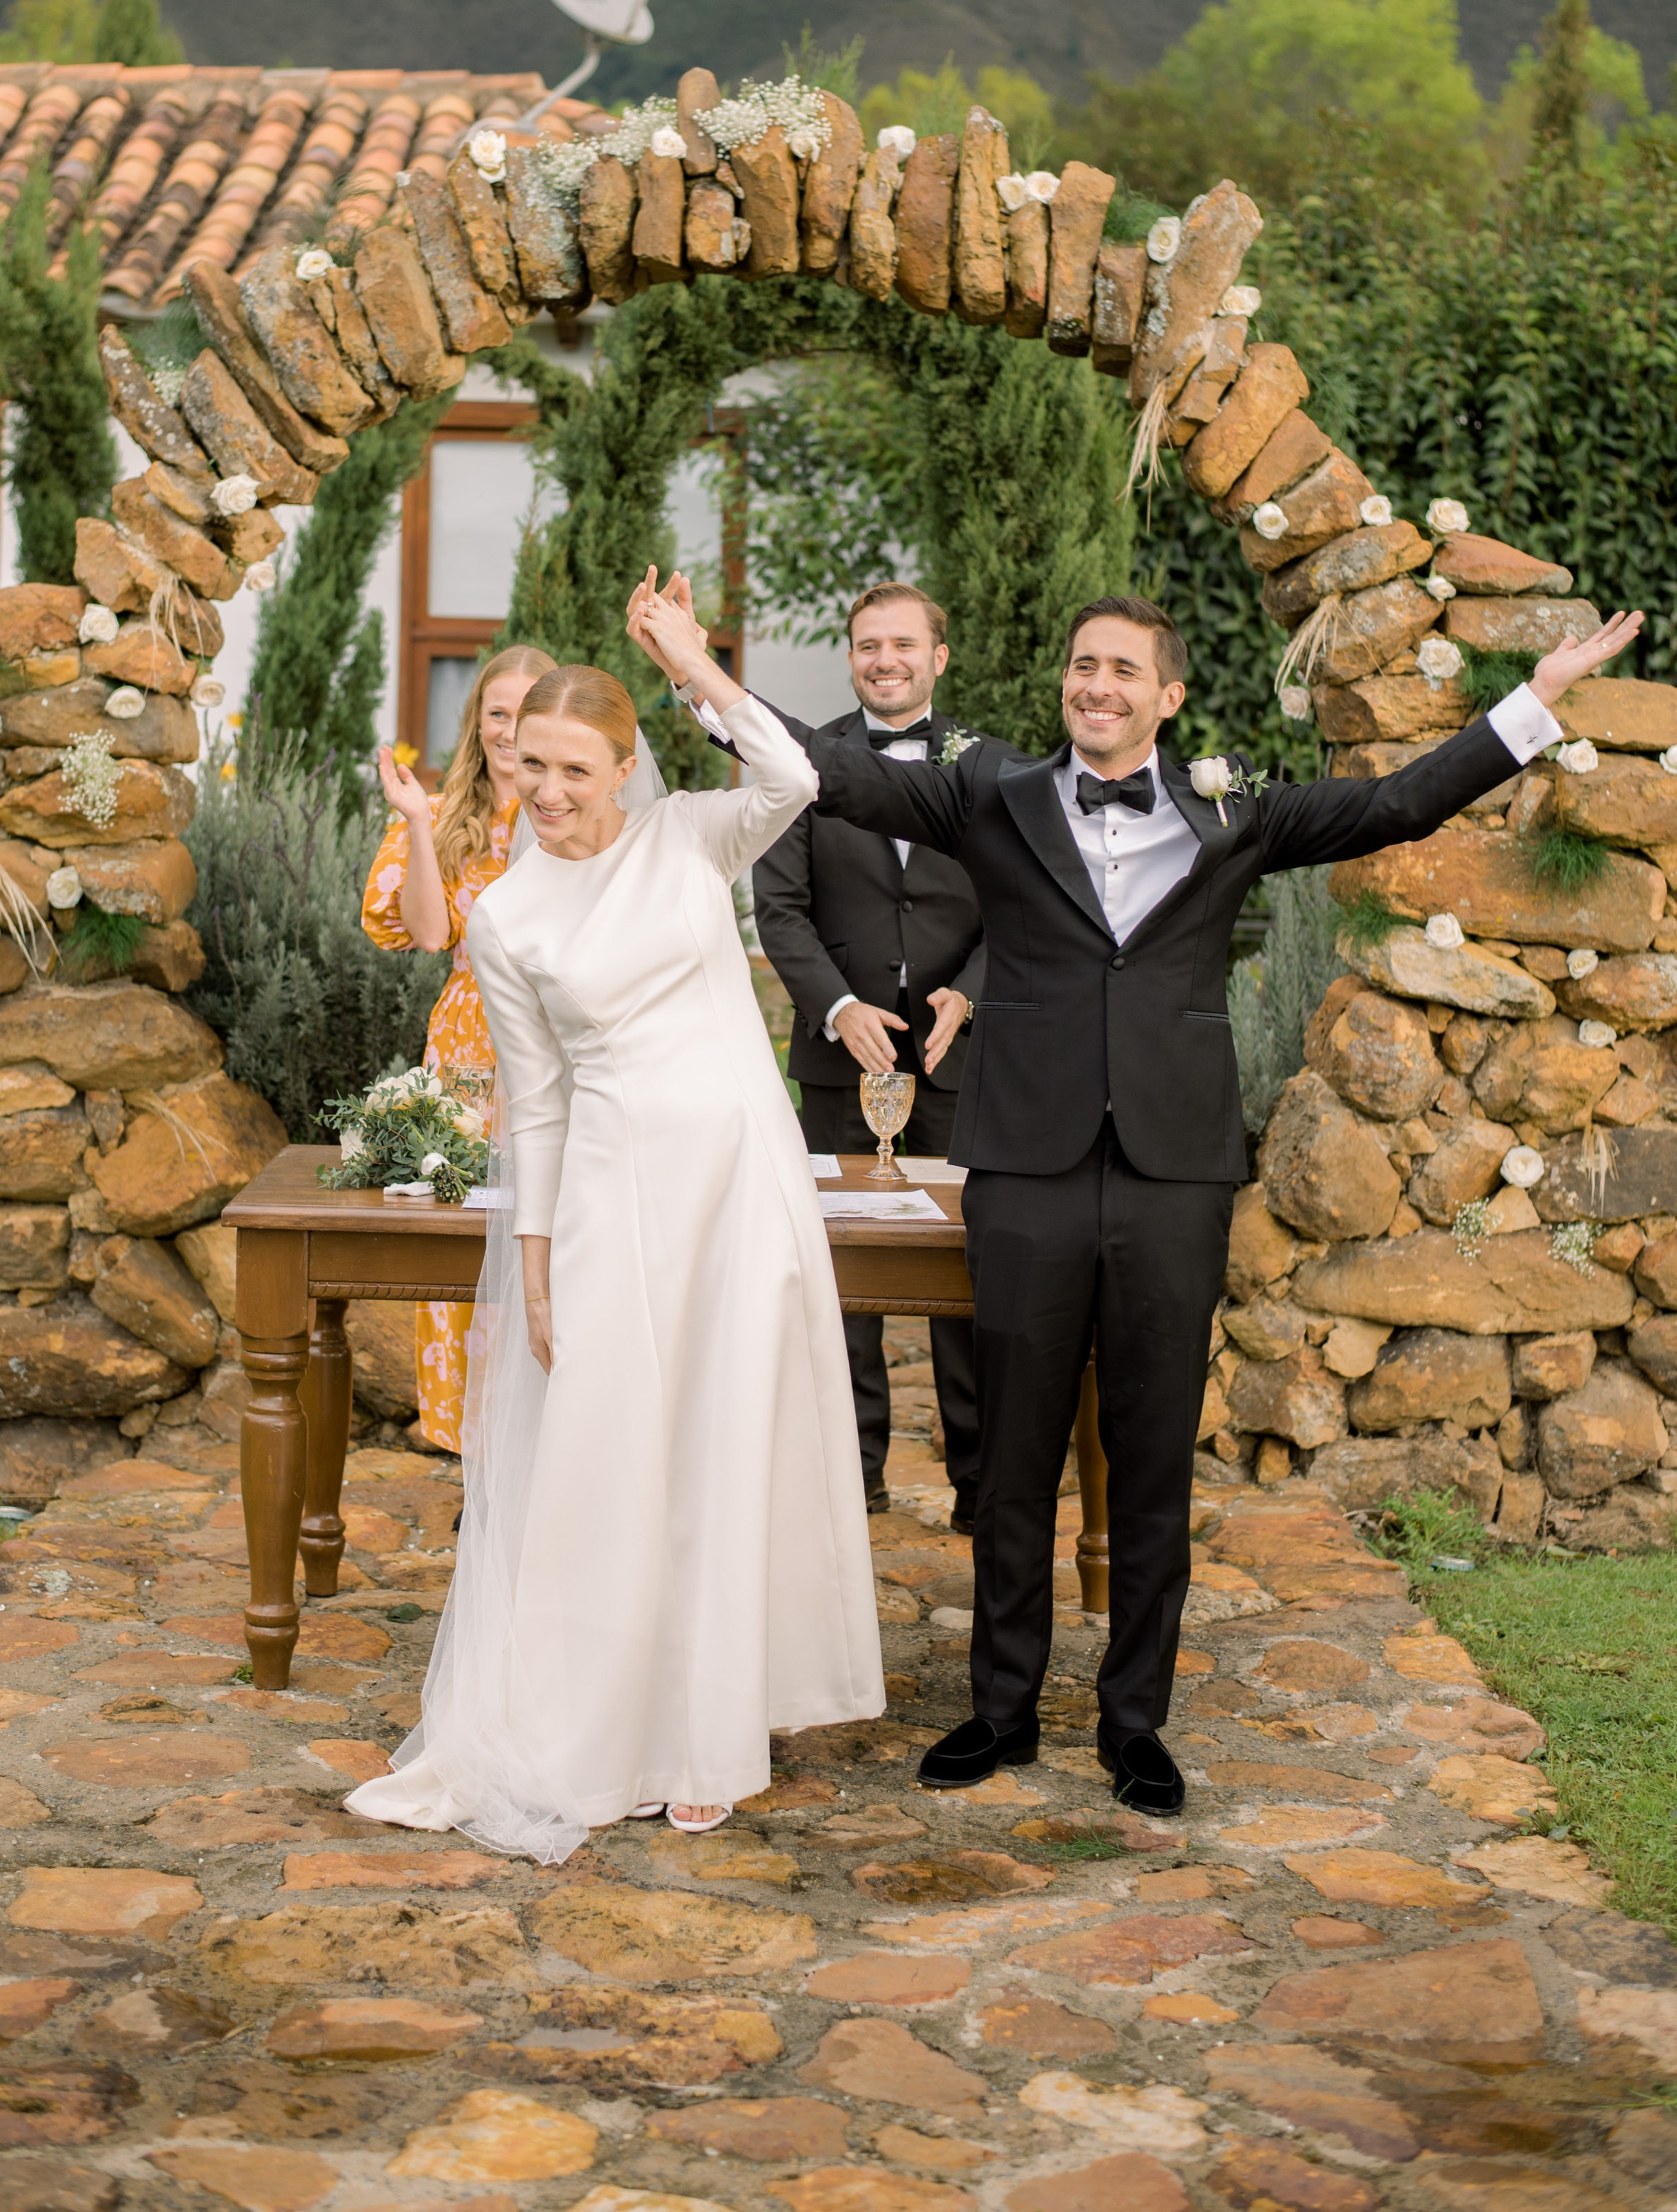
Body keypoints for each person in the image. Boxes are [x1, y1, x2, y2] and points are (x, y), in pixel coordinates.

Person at [637, 574, 1641, 1814]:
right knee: (1010, 1459)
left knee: (1152, 1456)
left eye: (1124, 671)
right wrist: (698, 670)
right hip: (1024, 1171)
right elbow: (824, 775)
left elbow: (1393, 805)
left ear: (1167, 696)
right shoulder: (990, 799)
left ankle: (1134, 1724)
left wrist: (1530, 705)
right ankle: (998, 1710)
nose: (1096, 685)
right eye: (1083, 665)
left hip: (1174, 1177)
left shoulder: (1238, 814)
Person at [346, 617, 883, 1862]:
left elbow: (796, 778)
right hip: (608, 1199)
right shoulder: (510, 914)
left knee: (722, 1443)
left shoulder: (691, 835)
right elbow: (534, 1105)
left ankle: (709, 1734)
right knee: (619, 1456)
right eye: (532, 766)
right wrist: (533, 1267)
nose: (548, 793)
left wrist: (694, 664)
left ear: (626, 767)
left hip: (739, 1185)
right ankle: (621, 1726)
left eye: (576, 771)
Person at [749, 582, 983, 1529]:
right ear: (851, 659)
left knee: (972, 1280)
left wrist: (969, 992)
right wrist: (838, 1006)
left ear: (938, 656)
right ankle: (854, 1479)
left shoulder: (987, 771)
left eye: (902, 644)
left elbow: (1024, 904)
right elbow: (780, 908)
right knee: (841, 1283)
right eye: (866, 646)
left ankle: (981, 1486)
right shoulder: (809, 768)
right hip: (837, 1065)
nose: (884, 659)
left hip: (958, 1066)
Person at [364, 645, 555, 1451]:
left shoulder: (578, 811)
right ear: (480, 721)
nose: (511, 729)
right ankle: (477, 1450)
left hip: (558, 1046)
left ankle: (553, 1441)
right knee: (471, 1245)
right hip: (471, 1050)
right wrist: (415, 819)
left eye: (527, 712)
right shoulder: (445, 814)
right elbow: (430, 931)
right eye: (498, 712)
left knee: (551, 1238)